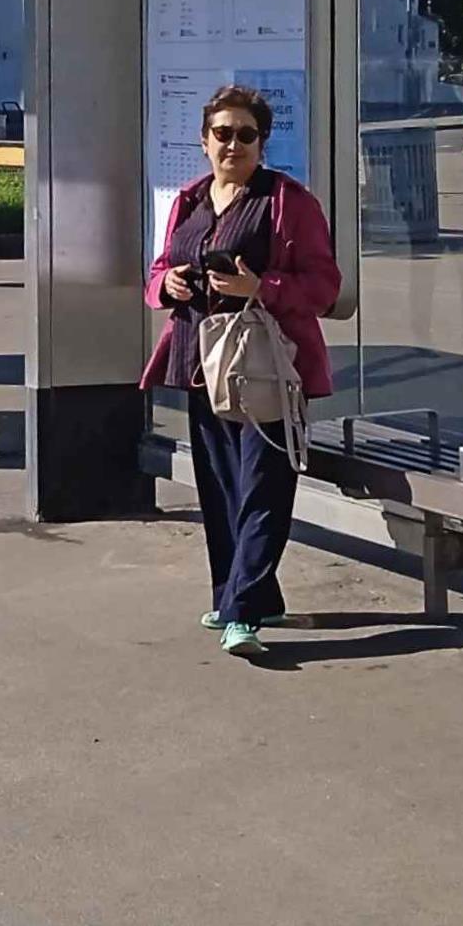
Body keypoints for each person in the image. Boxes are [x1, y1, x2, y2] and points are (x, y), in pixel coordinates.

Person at [142, 83, 340, 656]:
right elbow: (157, 270)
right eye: (223, 134)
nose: (234, 145)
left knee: (263, 486)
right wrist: (168, 284)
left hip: (264, 365)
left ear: (262, 142)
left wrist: (261, 285)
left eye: (246, 135)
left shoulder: (287, 202)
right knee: (221, 485)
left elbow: (324, 286)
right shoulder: (190, 198)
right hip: (200, 359)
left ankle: (242, 612)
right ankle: (243, 594)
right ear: (204, 141)